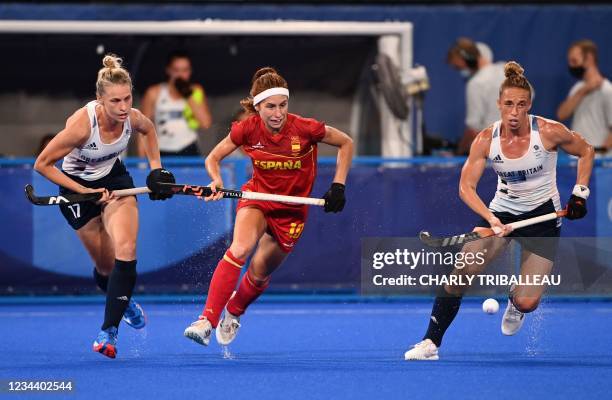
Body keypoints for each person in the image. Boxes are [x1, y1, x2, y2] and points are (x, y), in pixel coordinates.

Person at [404, 61, 594, 361]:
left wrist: (580, 193)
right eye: (508, 104)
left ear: (529, 105)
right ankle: (430, 343)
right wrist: (492, 219)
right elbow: (466, 187)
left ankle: (516, 304)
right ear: (499, 104)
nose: (515, 112)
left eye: (521, 105)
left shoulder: (548, 131)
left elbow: (586, 150)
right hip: (502, 212)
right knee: (463, 268)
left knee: (528, 301)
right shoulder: (485, 140)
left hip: (543, 217)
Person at [183, 67, 353, 347]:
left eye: (283, 105)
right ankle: (206, 321)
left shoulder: (306, 128)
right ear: (257, 106)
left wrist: (339, 185)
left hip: (292, 211)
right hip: (258, 198)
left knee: (259, 273)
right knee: (239, 249)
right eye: (270, 107)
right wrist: (215, 180)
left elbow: (345, 143)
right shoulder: (246, 129)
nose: (278, 113)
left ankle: (234, 311)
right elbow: (213, 158)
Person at [34, 54, 176, 359]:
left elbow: (150, 130)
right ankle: (124, 302)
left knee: (126, 248)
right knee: (105, 267)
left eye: (127, 98)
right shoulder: (81, 127)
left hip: (115, 179)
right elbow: (42, 164)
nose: (123, 107)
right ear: (100, 100)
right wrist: (85, 191)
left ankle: (108, 331)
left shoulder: (132, 117)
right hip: (76, 189)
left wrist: (156, 169)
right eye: (115, 101)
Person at [138, 50, 212, 156]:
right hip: (162, 150)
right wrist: (142, 162)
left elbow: (205, 123)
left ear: (190, 71)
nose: (180, 75)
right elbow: (142, 129)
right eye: (176, 70)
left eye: (185, 70)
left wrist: (187, 94)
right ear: (168, 70)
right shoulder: (154, 93)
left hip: (189, 148)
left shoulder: (196, 91)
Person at [447, 38, 506, 155]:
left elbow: (473, 128)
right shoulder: (506, 69)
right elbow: (530, 94)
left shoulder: (476, 83)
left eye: (459, 67)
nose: (460, 71)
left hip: (493, 150)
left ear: (470, 60)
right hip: (519, 145)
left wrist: (459, 151)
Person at [557, 39, 612, 155]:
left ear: (589, 58)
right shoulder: (578, 88)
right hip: (577, 157)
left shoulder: (607, 90)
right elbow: (562, 114)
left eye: (574, 60)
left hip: (598, 161)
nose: (571, 65)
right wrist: (583, 91)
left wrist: (601, 154)